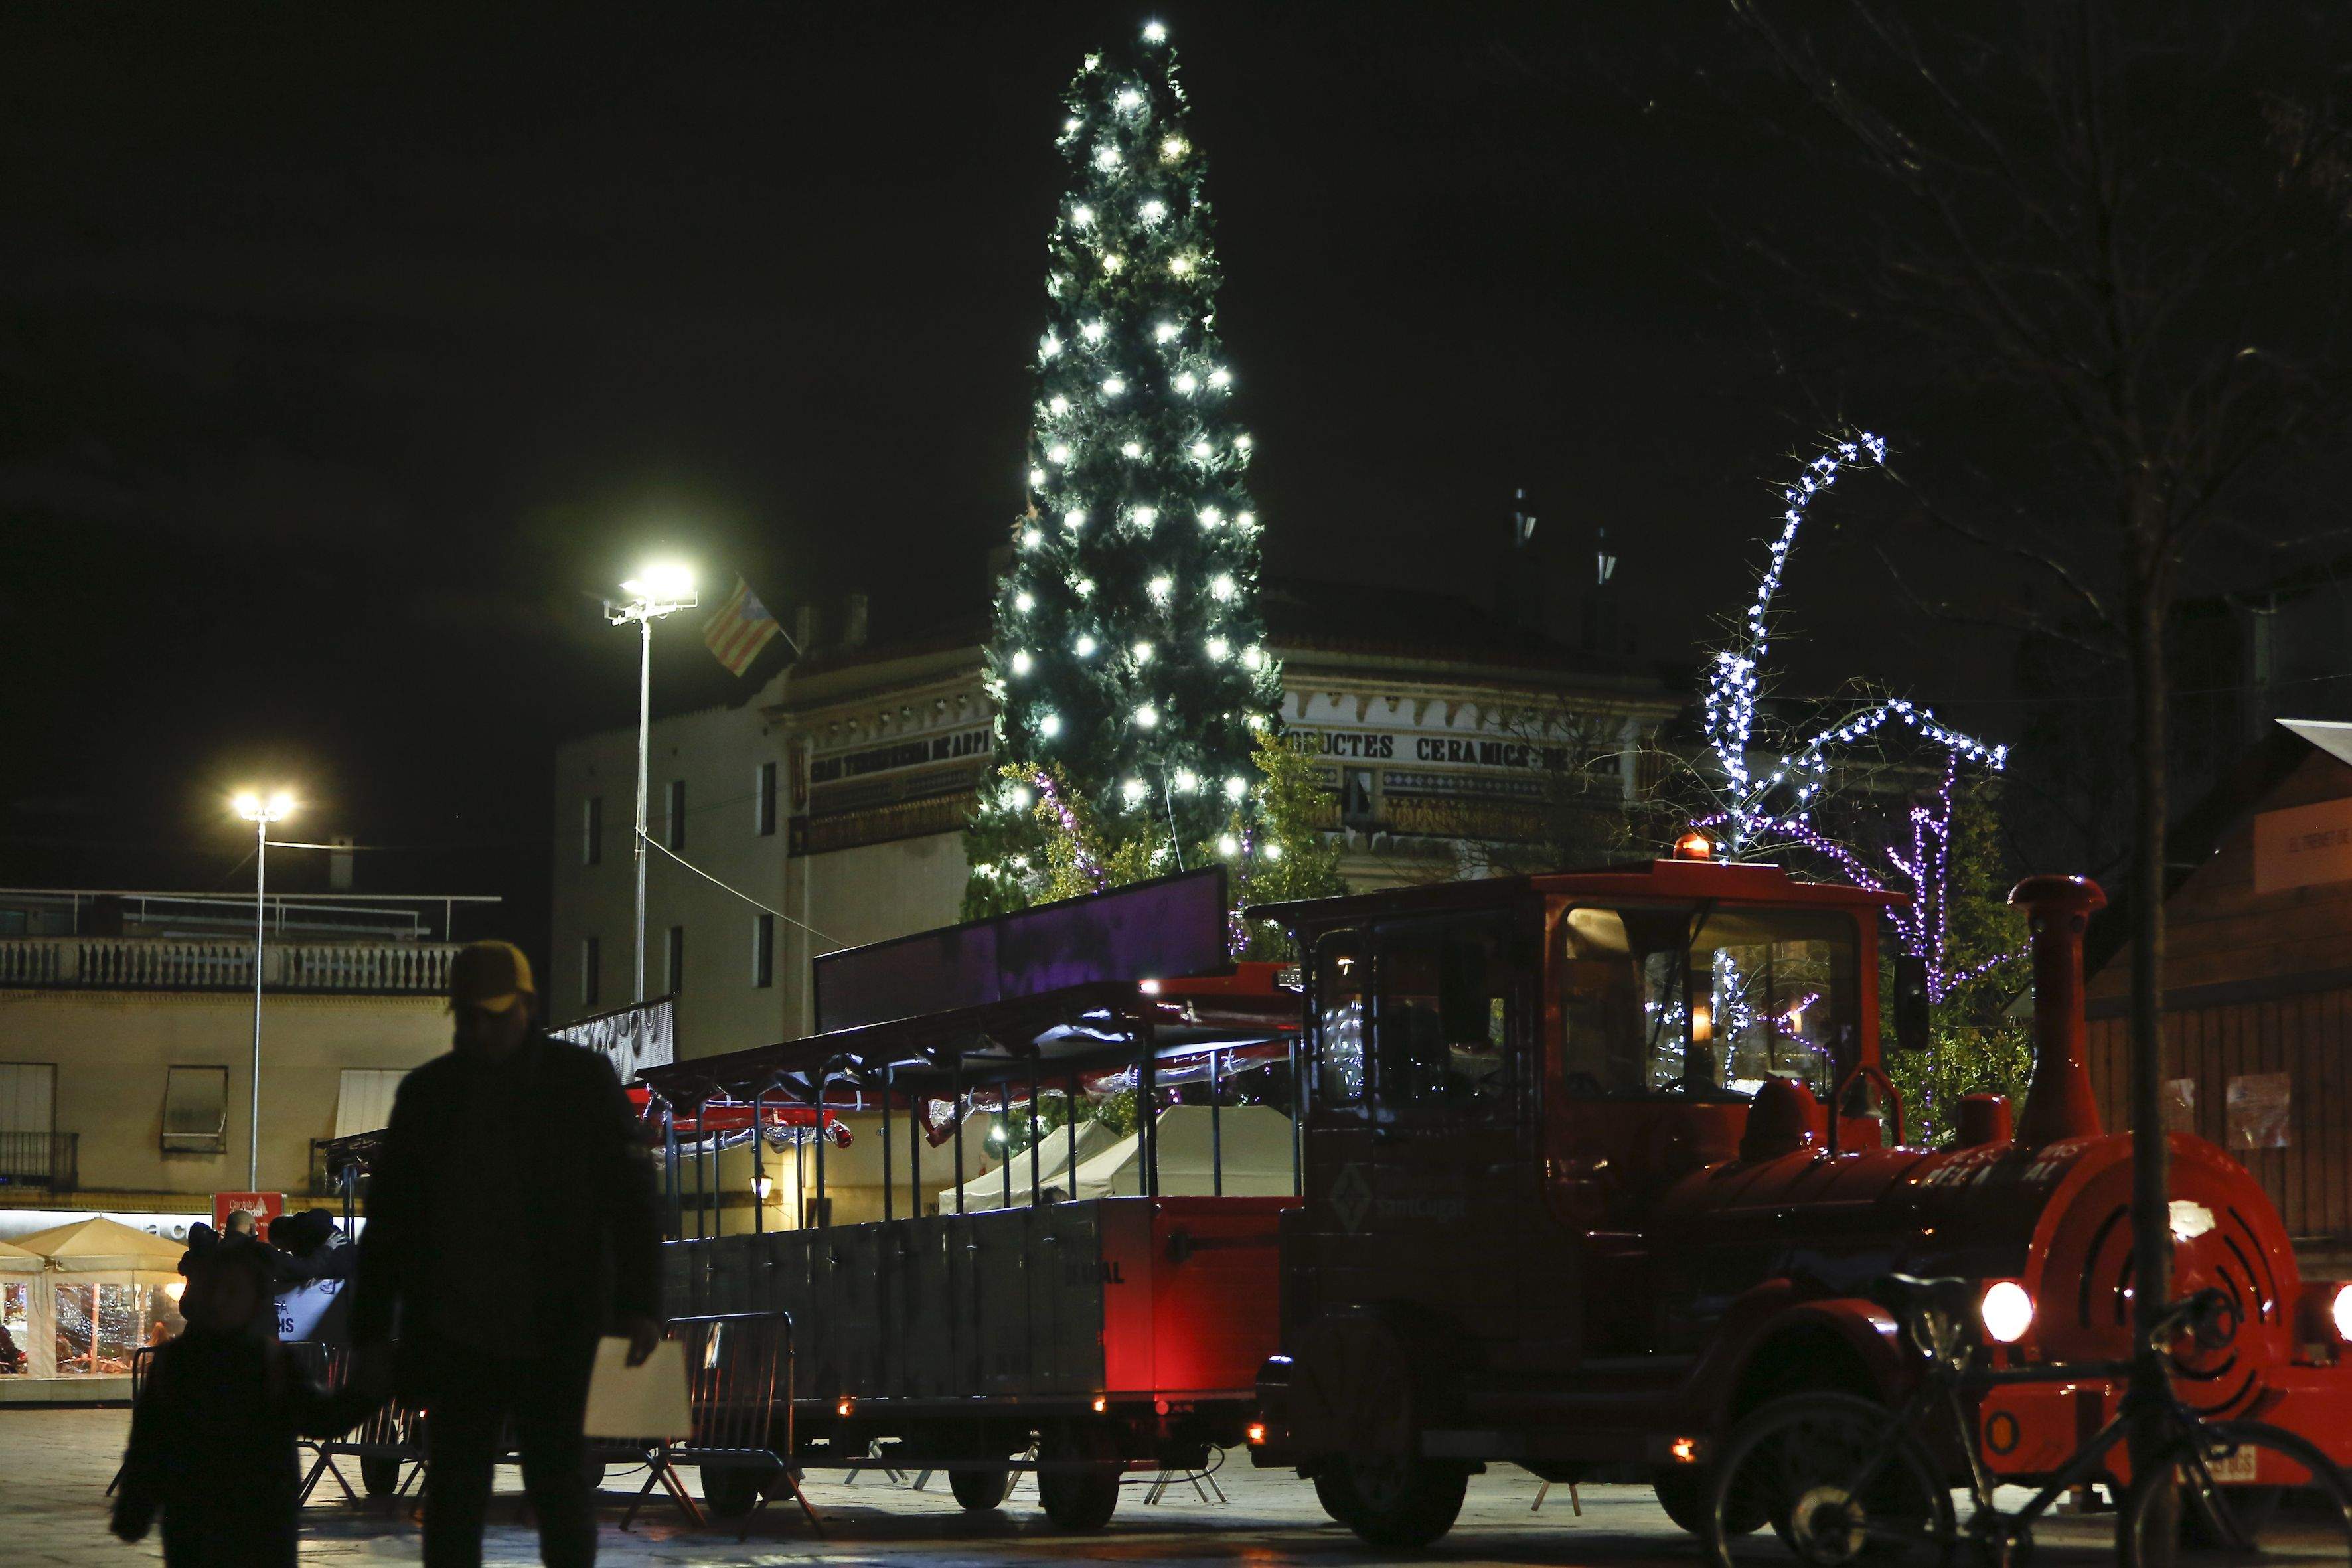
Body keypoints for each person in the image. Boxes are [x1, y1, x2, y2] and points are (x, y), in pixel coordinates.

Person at [349, 940, 660, 1568]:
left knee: (544, 1486)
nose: (482, 1029)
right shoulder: (451, 1093)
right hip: (485, 1326)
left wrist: (641, 1304)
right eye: (472, 1016)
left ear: (527, 1005)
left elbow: (631, 1202)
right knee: (474, 1490)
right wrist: (373, 1332)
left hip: (534, 1324)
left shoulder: (447, 1093)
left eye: (492, 1014)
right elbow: (390, 1226)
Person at [111, 1243, 354, 1566]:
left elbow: (321, 1418)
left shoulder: (262, 1363)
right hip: (227, 1525)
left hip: (235, 1526)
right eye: (215, 1289)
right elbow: (149, 1442)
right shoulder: (185, 1363)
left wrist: (134, 1511)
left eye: (233, 1291)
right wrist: (135, 1508)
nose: (220, 1301)